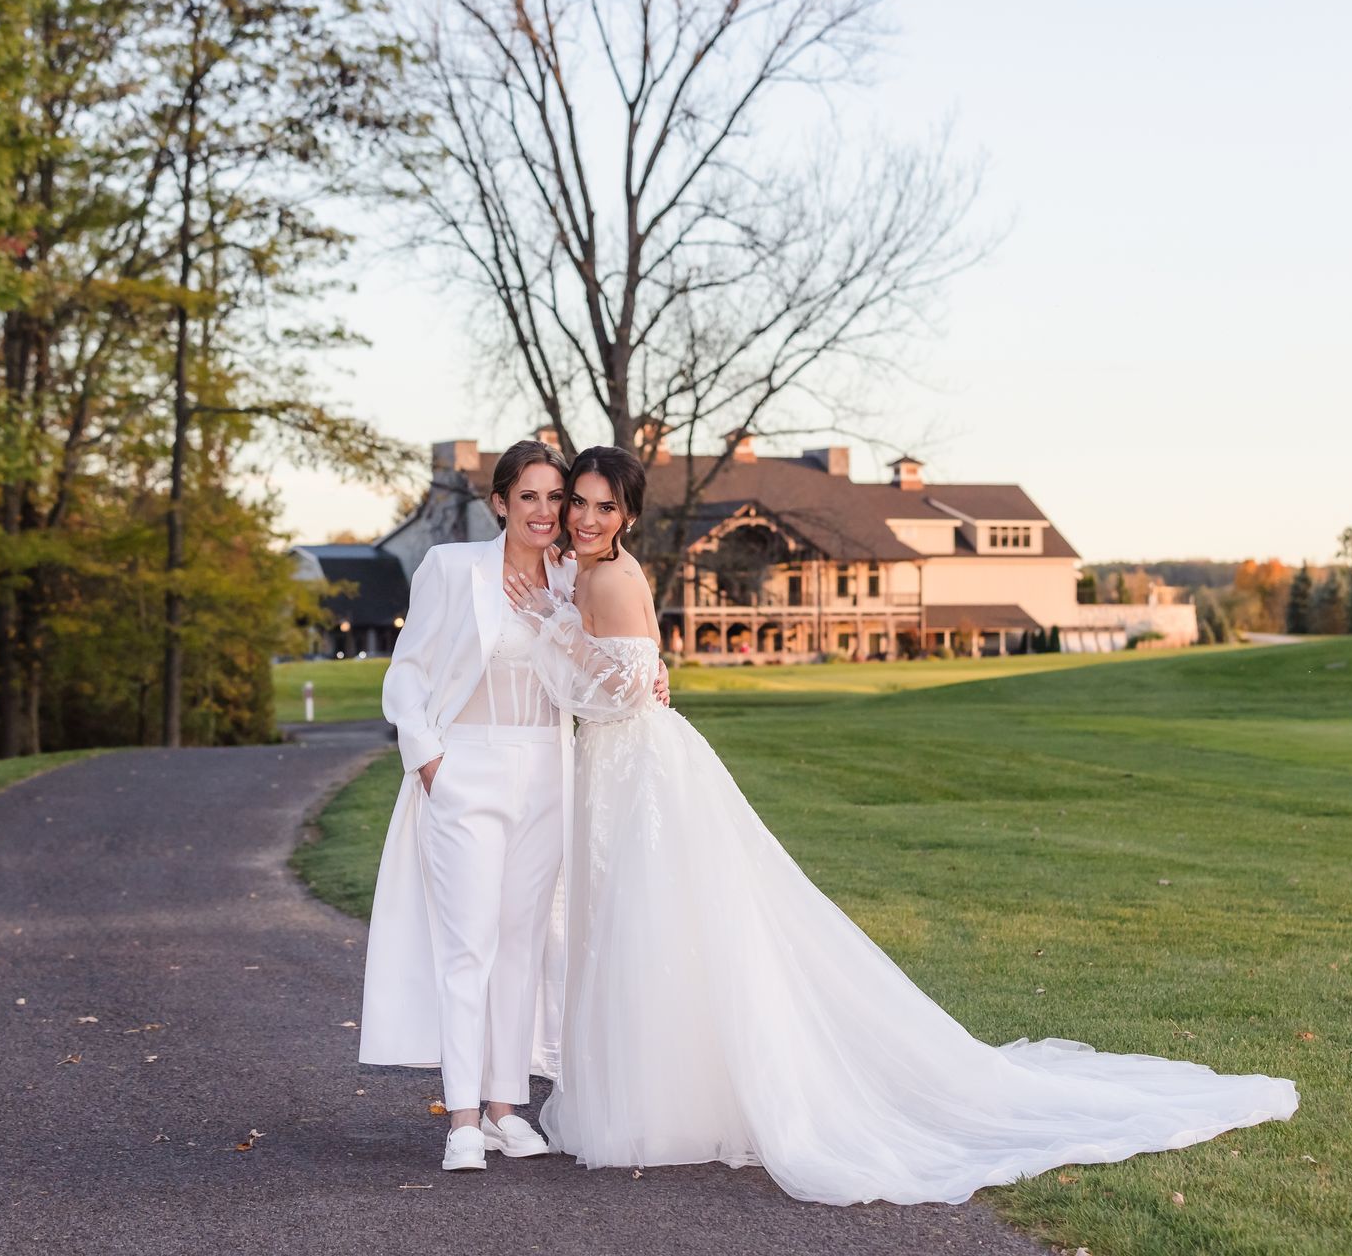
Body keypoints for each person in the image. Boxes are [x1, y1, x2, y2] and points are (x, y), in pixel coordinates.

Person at [506, 446, 1298, 1206]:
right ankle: (660, 1085)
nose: (583, 517)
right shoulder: (593, 571)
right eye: (577, 501)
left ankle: (656, 1101)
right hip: (625, 762)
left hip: (638, 765)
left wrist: (552, 630)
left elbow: (627, 685)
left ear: (629, 515)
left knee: (649, 919)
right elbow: (635, 666)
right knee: (646, 922)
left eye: (602, 507)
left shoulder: (609, 576)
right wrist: (572, 628)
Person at [355, 439, 576, 1173]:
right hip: (466, 770)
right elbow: (409, 670)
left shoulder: (575, 579)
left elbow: (604, 660)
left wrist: (650, 673)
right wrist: (430, 764)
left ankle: (509, 1109)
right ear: (502, 502)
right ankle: (461, 1119)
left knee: (520, 944)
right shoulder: (453, 569)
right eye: (530, 497)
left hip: (547, 770)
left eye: (555, 498)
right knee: (468, 945)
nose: (544, 512)